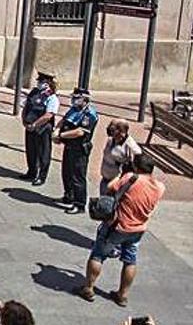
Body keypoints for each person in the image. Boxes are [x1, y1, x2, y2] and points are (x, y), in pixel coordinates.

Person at [79, 154, 165, 307]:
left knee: (98, 255)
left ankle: (89, 288)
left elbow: (111, 187)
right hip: (138, 229)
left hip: (118, 226)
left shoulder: (131, 178)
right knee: (130, 261)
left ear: (136, 167)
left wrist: (121, 174)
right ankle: (122, 295)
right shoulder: (159, 187)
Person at [56, 88, 99, 214]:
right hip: (69, 146)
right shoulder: (74, 110)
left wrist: (61, 136)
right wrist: (57, 130)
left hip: (79, 148)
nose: (73, 100)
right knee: (67, 173)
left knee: (77, 176)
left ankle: (79, 204)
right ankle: (69, 196)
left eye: (77, 98)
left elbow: (80, 132)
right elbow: (64, 120)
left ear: (85, 100)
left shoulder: (89, 114)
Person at [21, 72, 60, 186]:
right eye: (39, 81)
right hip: (29, 126)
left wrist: (35, 125)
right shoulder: (34, 93)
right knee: (31, 150)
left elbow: (49, 115)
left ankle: (41, 176)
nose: (39, 83)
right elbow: (26, 106)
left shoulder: (51, 97)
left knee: (43, 153)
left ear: (48, 83)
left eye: (42, 81)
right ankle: (31, 172)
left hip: (43, 128)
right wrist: (24, 120)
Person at [99, 120, 142, 195]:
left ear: (122, 132)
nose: (110, 132)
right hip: (105, 179)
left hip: (116, 184)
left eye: (113, 130)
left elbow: (136, 170)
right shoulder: (111, 139)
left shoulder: (131, 148)